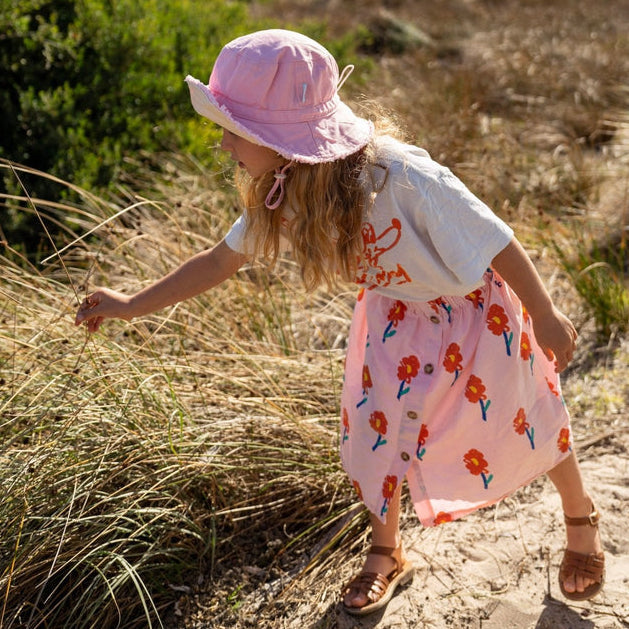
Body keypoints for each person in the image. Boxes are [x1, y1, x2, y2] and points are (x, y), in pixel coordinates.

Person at [75, 29, 605, 616]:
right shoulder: (283, 187)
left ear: (281, 139)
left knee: (528, 411)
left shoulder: (401, 175)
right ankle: (387, 552)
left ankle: (580, 518)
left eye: (234, 131)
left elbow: (494, 238)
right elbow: (221, 261)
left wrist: (547, 315)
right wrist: (129, 303)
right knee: (376, 435)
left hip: (474, 317)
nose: (224, 145)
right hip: (392, 320)